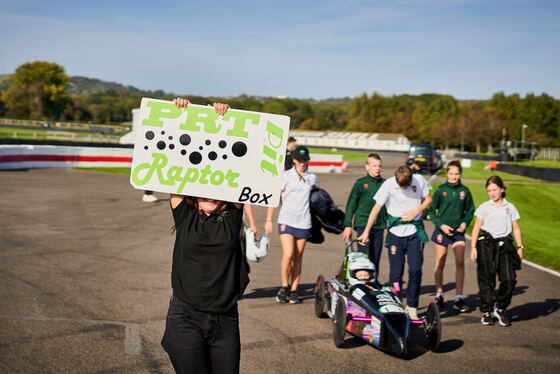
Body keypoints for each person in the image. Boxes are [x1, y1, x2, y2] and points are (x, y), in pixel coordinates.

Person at [160, 98, 251, 374]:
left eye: (216, 187)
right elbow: (177, 159)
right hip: (185, 317)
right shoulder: (184, 215)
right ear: (192, 191)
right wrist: (185, 114)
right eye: (203, 186)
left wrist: (222, 121)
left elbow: (241, 166)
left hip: (225, 320)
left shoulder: (232, 218)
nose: (210, 191)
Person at [357, 165, 432, 320]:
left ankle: (412, 306)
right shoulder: (389, 184)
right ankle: (396, 304)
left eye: (406, 185)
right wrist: (365, 232)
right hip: (395, 234)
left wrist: (416, 211)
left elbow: (428, 199)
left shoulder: (418, 180)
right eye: (401, 186)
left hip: (414, 232)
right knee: (396, 274)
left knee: (415, 270)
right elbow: (376, 209)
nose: (404, 188)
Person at [265, 145, 318, 304]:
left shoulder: (312, 177)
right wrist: (268, 219)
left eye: (305, 160)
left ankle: (294, 289)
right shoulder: (285, 176)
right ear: (294, 160)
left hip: (304, 221)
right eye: (300, 160)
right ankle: (284, 286)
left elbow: (316, 199)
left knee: (298, 257)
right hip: (286, 220)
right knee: (288, 254)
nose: (303, 163)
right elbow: (274, 199)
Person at [470, 176, 523, 327]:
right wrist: (473, 248)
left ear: (502, 189)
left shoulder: (510, 207)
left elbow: (516, 228)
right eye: (489, 191)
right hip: (486, 245)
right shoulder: (484, 207)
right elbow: (476, 229)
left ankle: (500, 308)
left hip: (505, 245)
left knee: (509, 279)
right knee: (487, 279)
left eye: (494, 190)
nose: (492, 193)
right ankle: (487, 311)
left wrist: (520, 247)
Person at [428, 160, 475, 312]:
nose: (454, 177)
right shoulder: (441, 190)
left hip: (458, 233)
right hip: (442, 231)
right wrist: (441, 225)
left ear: (460, 174)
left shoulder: (465, 191)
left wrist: (464, 224)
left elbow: (470, 210)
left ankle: (459, 298)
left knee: (460, 261)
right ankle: (439, 294)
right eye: (451, 174)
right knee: (440, 261)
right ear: (447, 173)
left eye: (456, 174)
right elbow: (431, 211)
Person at [342, 153, 387, 280]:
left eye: (379, 166)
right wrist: (347, 225)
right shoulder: (361, 183)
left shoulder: (385, 183)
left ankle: (373, 283)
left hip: (379, 225)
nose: (377, 168)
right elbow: (351, 204)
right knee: (363, 257)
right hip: (362, 224)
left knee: (375, 257)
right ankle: (361, 283)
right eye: (374, 166)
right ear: (367, 167)